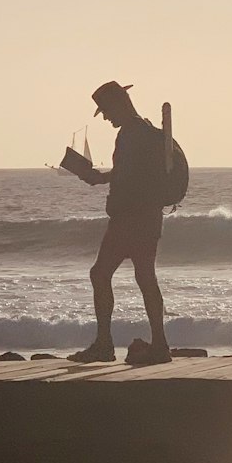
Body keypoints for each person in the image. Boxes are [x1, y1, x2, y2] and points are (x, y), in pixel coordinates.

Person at [69, 81, 171, 364]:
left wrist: (97, 178)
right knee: (146, 278)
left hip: (129, 219)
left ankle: (104, 345)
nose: (105, 117)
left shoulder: (129, 135)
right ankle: (160, 345)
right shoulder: (147, 130)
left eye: (106, 111)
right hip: (149, 217)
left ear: (119, 104)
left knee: (100, 274)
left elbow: (126, 175)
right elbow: (135, 172)